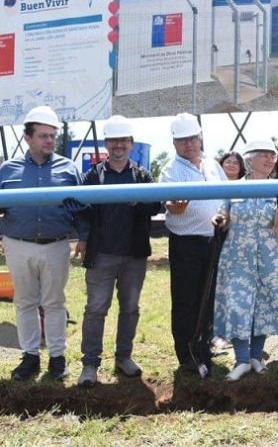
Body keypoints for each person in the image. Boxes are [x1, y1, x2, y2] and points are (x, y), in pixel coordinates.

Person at [213, 139, 278, 381]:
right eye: (264, 155)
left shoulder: (277, 188)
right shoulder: (233, 187)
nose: (271, 159)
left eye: (272, 155)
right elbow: (223, 215)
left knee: (264, 306)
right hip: (238, 256)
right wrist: (218, 219)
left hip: (270, 256)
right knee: (238, 305)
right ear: (249, 159)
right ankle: (242, 360)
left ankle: (256, 357)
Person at [0, 106, 88, 381]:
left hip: (56, 245)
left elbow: (82, 207)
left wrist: (83, 236)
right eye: (43, 136)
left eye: (52, 136)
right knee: (25, 301)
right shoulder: (7, 170)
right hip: (18, 243)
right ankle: (30, 357)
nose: (49, 141)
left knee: (54, 302)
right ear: (28, 138)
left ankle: (57, 358)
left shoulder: (68, 168)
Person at [77, 115, 162, 387]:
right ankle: (90, 364)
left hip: (134, 256)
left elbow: (156, 206)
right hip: (101, 255)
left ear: (131, 144)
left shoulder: (142, 175)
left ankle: (123, 357)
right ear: (106, 143)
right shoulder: (93, 175)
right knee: (95, 309)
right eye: (113, 140)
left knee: (130, 308)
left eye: (123, 140)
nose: (118, 145)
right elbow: (82, 210)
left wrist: (137, 199)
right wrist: (82, 236)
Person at [160, 113, 226, 371]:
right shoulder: (170, 170)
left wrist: (223, 215)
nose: (189, 144)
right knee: (186, 299)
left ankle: (204, 346)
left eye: (192, 138)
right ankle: (186, 353)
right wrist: (177, 207)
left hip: (212, 240)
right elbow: (171, 207)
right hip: (185, 244)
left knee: (208, 296)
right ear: (174, 143)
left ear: (200, 138)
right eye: (182, 140)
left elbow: (224, 199)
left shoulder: (212, 166)